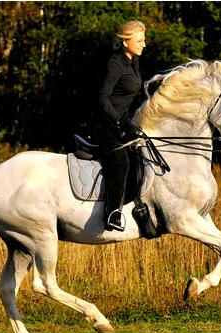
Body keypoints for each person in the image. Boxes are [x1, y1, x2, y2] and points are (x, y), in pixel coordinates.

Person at [94, 20, 146, 232]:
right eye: (140, 40)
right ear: (126, 42)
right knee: (121, 159)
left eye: (144, 39)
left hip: (122, 124)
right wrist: (118, 120)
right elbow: (101, 97)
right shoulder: (115, 63)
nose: (144, 44)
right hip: (104, 125)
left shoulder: (133, 61)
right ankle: (112, 213)